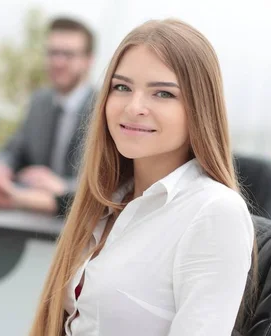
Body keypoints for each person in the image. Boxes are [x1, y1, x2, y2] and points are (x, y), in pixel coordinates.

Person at [29, 19, 256, 336]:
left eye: (162, 93)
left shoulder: (215, 212)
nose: (134, 107)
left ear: (200, 108)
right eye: (121, 87)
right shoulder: (109, 198)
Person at [0, 17, 95, 205]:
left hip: (80, 220)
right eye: (53, 53)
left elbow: (108, 184)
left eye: (68, 54)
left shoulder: (104, 110)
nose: (58, 62)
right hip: (30, 214)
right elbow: (13, 151)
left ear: (88, 60)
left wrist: (61, 186)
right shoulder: (40, 102)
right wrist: (0, 168)